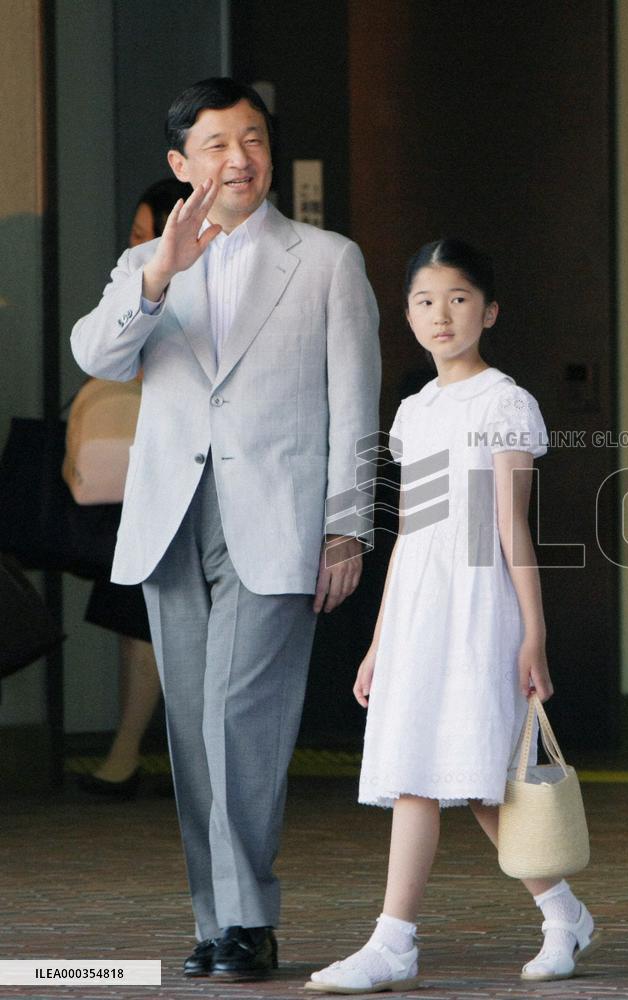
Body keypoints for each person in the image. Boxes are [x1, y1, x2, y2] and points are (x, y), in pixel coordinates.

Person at [71, 78, 380, 980]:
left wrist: (348, 528)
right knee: (194, 727)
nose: (237, 158)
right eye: (215, 144)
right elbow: (96, 354)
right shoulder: (149, 264)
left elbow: (355, 405)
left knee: (239, 716)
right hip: (171, 517)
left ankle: (250, 917)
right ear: (181, 164)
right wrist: (159, 272)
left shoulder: (327, 260)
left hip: (278, 519)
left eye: (252, 140)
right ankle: (217, 921)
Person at [305, 239, 598, 995]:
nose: (442, 314)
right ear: (406, 314)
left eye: (460, 298)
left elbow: (511, 527)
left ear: (489, 311)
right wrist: (378, 643)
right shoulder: (415, 409)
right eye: (425, 301)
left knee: (482, 783)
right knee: (415, 771)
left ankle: (557, 913)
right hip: (417, 610)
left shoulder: (504, 401)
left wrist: (533, 633)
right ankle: (396, 940)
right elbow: (409, 531)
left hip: (479, 605)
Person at [80, 177, 191, 799]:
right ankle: (131, 754)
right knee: (137, 619)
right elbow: (99, 352)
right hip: (138, 478)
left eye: (154, 235)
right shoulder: (137, 279)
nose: (146, 247)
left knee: (150, 622)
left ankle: (133, 755)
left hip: (180, 476)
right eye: (138, 236)